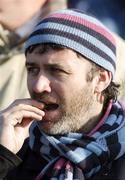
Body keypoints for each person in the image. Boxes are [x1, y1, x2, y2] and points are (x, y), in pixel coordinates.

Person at [0, 9, 125, 180]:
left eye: (57, 70)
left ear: (100, 79)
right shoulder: (13, 146)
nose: (38, 86)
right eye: (32, 69)